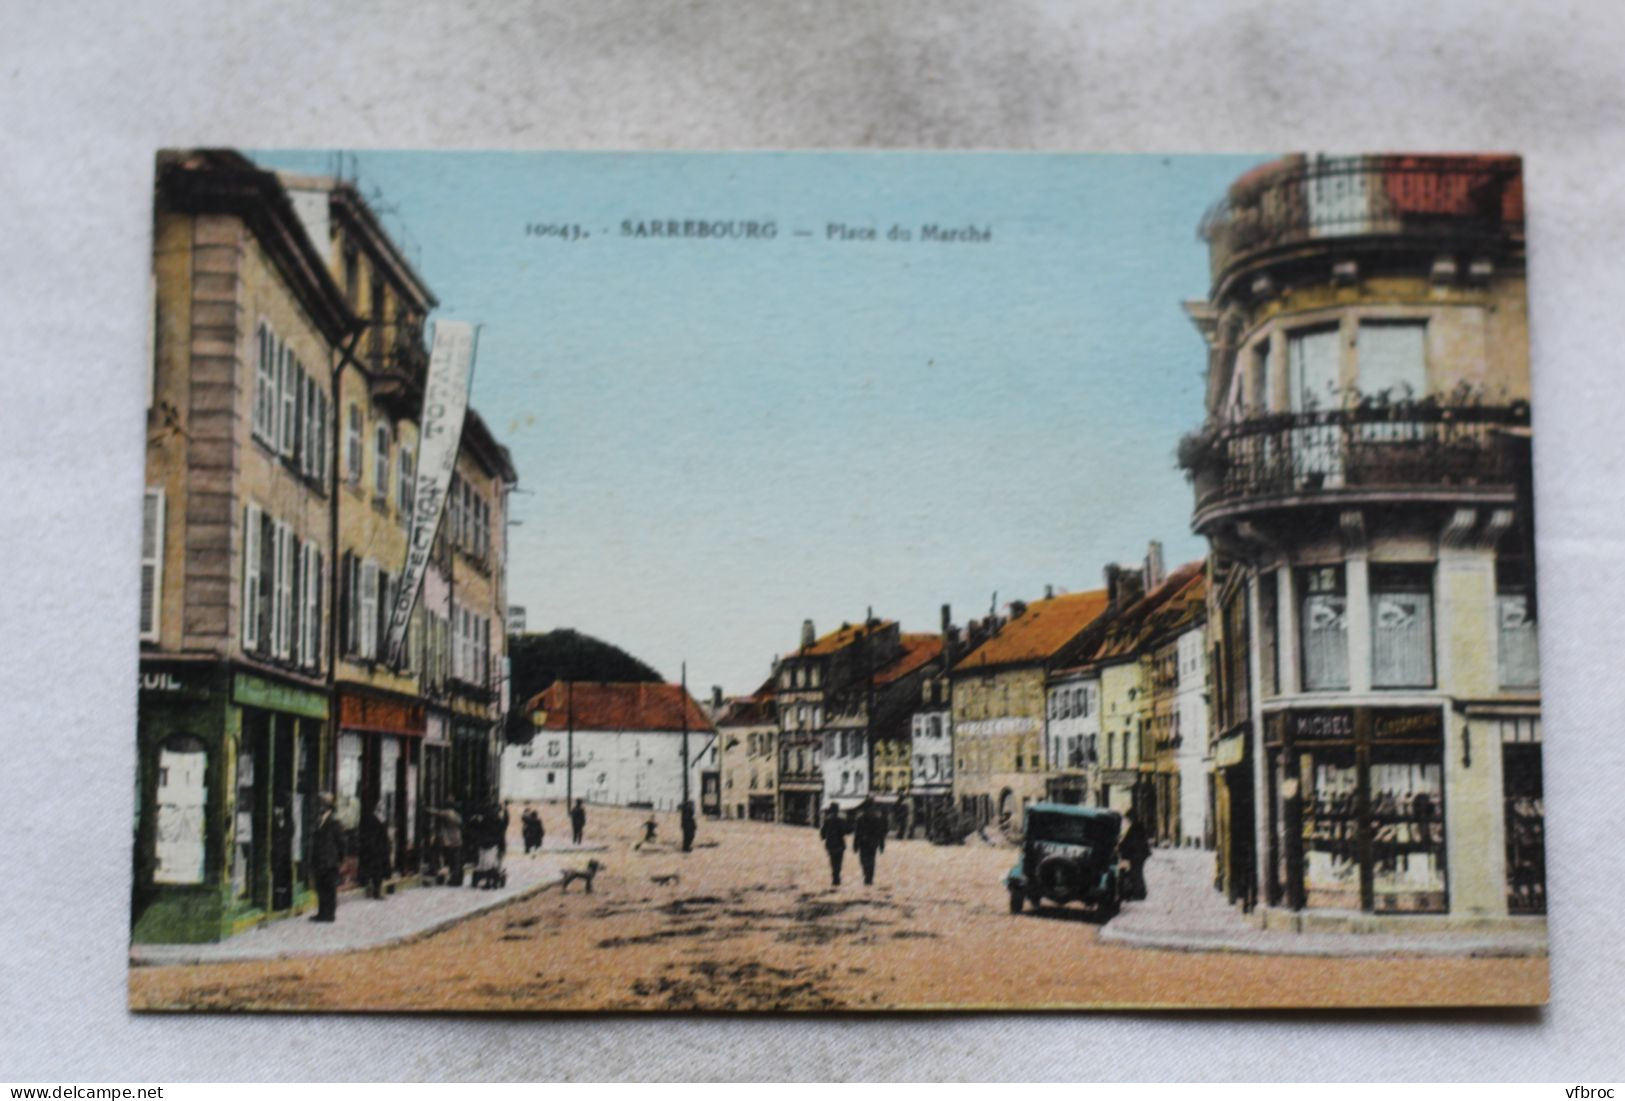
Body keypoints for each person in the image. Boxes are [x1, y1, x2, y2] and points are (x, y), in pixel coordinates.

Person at [309, 793, 343, 922]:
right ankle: (322, 913)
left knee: (329, 889)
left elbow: (341, 842)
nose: (320, 808)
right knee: (321, 888)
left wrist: (337, 859)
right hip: (319, 861)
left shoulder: (334, 822)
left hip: (329, 862)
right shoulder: (319, 821)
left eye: (322, 805)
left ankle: (329, 915)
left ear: (328, 807)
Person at [852, 797, 888, 886]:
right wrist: (881, 845)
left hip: (863, 843)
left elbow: (857, 833)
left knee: (864, 860)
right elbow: (880, 833)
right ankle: (869, 877)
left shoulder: (860, 818)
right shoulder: (876, 818)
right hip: (872, 843)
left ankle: (866, 875)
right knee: (871, 859)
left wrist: (855, 845)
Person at [359, 800, 391, 900]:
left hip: (381, 848)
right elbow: (371, 835)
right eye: (380, 806)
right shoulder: (373, 819)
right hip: (375, 849)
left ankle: (376, 890)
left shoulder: (383, 818)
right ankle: (375, 891)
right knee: (375, 870)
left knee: (379, 870)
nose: (382, 809)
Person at [1119, 813, 1151, 901]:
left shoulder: (1135, 827)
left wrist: (1121, 847)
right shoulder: (1137, 826)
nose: (1128, 820)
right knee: (1138, 873)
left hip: (1137, 855)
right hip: (1140, 854)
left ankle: (1139, 894)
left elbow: (1130, 841)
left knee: (1136, 873)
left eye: (1129, 818)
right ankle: (1140, 893)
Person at [819, 803, 848, 887]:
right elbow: (844, 831)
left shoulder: (827, 820)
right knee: (838, 862)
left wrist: (824, 837)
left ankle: (835, 877)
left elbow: (823, 833)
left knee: (833, 861)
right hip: (840, 844)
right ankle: (837, 876)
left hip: (830, 844)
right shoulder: (841, 820)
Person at [436, 805, 465, 887]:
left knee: (451, 861)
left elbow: (438, 813)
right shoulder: (457, 816)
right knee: (456, 861)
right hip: (457, 841)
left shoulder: (449, 813)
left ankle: (454, 879)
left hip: (450, 842)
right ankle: (457, 880)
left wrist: (425, 808)